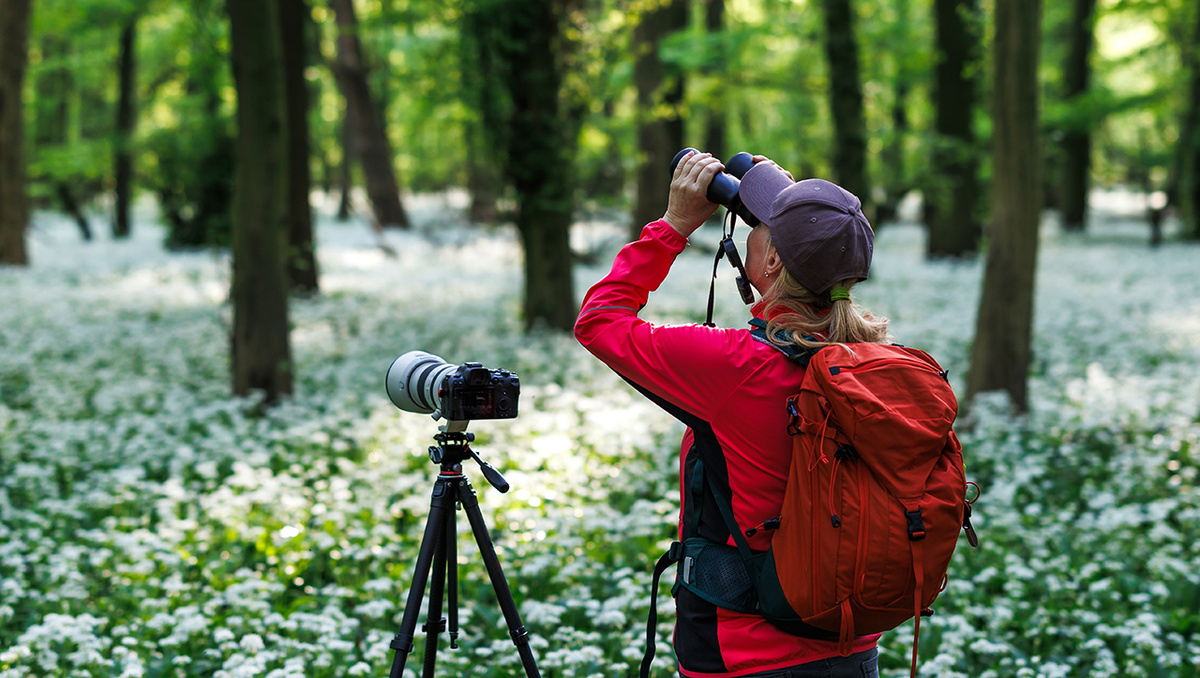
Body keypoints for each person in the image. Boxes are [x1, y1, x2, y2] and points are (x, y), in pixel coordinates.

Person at [574, 151, 889, 678]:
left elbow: (600, 320)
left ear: (770, 264)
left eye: (760, 226)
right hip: (853, 648)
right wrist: (792, 208)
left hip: (745, 656)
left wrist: (673, 226)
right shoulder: (879, 361)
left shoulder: (734, 366)